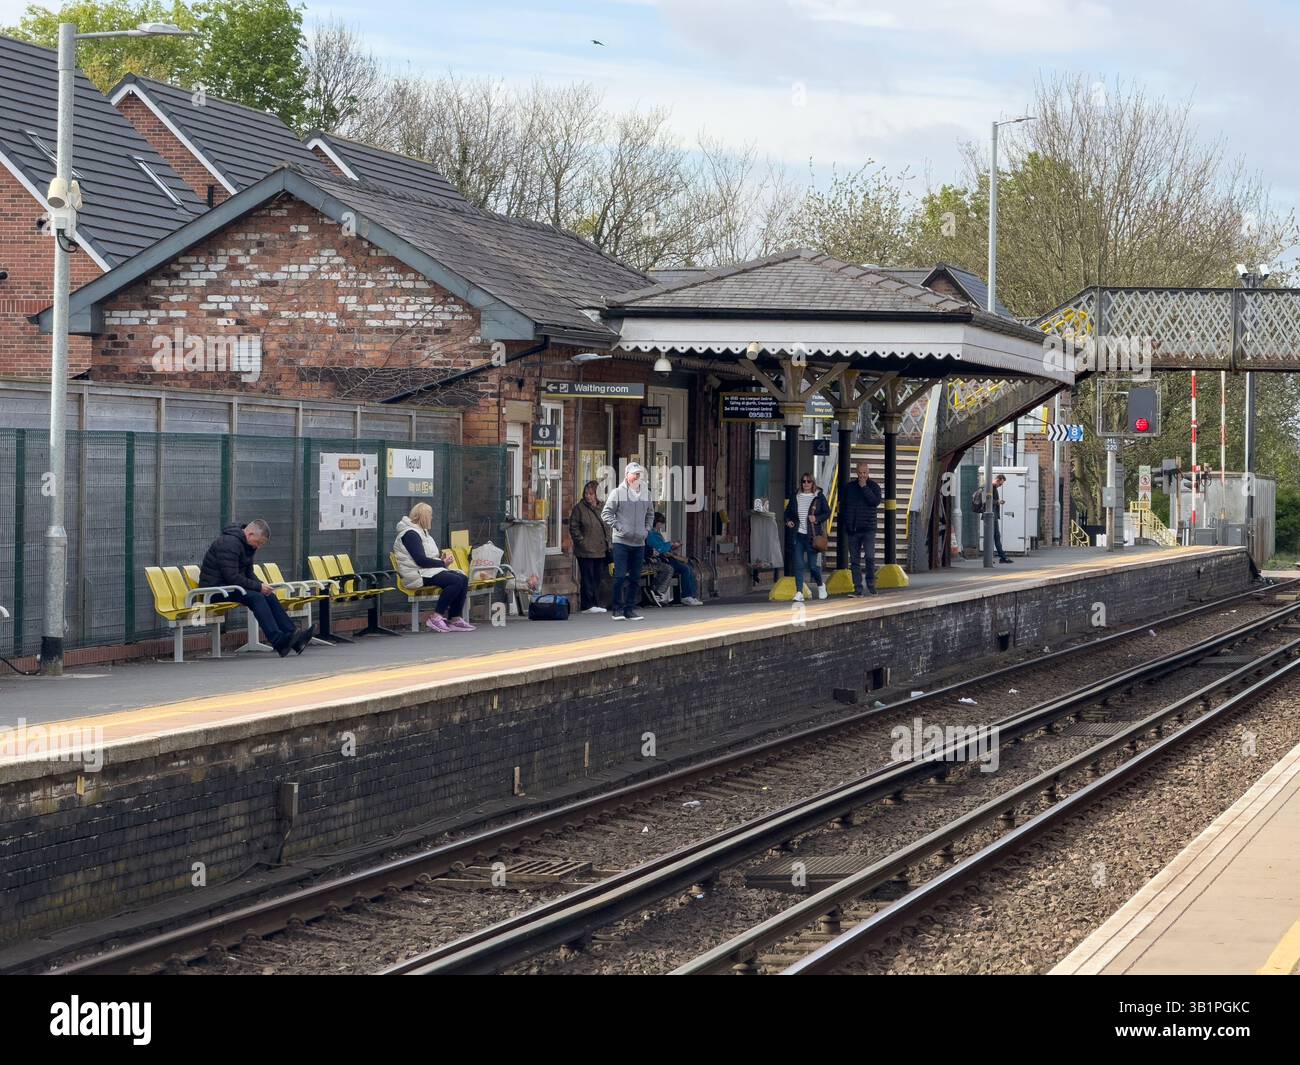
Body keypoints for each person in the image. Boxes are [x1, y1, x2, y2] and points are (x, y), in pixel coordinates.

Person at [199, 519, 313, 656]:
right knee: (256, 597)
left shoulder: (247, 545)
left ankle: (294, 637)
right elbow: (232, 577)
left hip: (230, 588)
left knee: (267, 595)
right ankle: (278, 641)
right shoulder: (229, 544)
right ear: (250, 534)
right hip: (215, 590)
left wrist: (263, 586)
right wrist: (258, 587)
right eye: (258, 543)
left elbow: (248, 573)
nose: (258, 547)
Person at [392, 502, 475, 632]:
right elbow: (421, 560)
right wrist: (442, 564)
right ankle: (436, 617)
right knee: (455, 580)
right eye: (430, 515)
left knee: (462, 578)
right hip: (415, 574)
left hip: (426, 571)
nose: (432, 518)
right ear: (424, 516)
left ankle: (455, 618)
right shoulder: (410, 534)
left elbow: (427, 557)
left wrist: (440, 561)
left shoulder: (423, 532)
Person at [601, 462, 654, 621]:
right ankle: (617, 609)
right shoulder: (617, 493)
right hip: (621, 542)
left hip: (639, 542)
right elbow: (606, 513)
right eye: (634, 474)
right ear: (627, 476)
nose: (636, 477)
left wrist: (646, 530)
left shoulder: (646, 493)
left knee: (635, 577)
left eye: (639, 474)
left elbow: (650, 514)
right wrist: (619, 527)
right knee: (619, 576)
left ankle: (629, 610)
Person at [784, 472, 830, 602]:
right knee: (798, 565)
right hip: (798, 535)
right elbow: (787, 512)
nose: (806, 484)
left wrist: (816, 518)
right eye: (803, 481)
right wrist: (788, 521)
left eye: (809, 481)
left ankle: (821, 585)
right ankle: (799, 592)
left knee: (812, 566)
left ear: (813, 483)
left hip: (812, 537)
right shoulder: (796, 496)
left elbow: (827, 512)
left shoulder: (818, 497)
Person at [568, 480, 611, 614]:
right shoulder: (579, 508)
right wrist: (581, 541)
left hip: (600, 549)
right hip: (585, 550)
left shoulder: (603, 507)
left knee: (598, 577)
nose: (588, 496)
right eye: (586, 493)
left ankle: (597, 602)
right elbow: (573, 527)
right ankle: (587, 604)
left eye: (591, 494)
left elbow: (608, 525)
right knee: (587, 577)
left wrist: (608, 541)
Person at [841, 461, 882, 596]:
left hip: (868, 528)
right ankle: (857, 588)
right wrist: (846, 524)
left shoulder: (874, 486)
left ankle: (871, 583)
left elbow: (875, 502)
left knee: (870, 557)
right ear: (856, 472)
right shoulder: (849, 487)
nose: (862, 475)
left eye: (864, 473)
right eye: (860, 473)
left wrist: (864, 488)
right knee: (854, 561)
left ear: (868, 473)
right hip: (853, 529)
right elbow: (844, 506)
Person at [647, 512, 704, 606]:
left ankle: (692, 595)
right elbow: (660, 548)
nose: (661, 526)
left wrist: (673, 547)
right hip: (662, 559)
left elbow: (663, 548)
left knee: (689, 567)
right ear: (657, 523)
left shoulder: (657, 534)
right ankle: (686, 596)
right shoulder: (651, 535)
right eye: (661, 523)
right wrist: (671, 544)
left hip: (666, 557)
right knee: (685, 569)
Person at [991, 473, 1013, 564]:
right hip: (991, 516)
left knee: (995, 536)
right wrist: (997, 501)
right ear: (997, 480)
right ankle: (1000, 557)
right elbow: (986, 500)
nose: (1000, 486)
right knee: (994, 537)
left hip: (993, 515)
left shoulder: (993, 488)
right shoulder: (989, 487)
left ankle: (1001, 557)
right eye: (1000, 484)